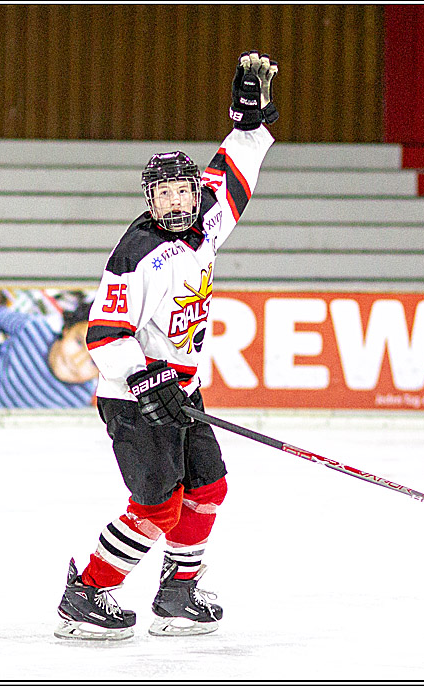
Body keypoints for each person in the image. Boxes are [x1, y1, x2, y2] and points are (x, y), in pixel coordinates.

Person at [55, 51, 279, 641]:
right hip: (133, 398)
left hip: (182, 387)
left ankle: (178, 592)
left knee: (209, 487)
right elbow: (104, 333)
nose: (179, 203)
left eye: (185, 191)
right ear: (149, 201)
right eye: (166, 195)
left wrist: (248, 125)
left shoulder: (205, 221)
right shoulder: (135, 255)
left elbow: (233, 173)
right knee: (158, 507)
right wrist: (146, 380)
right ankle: (88, 593)